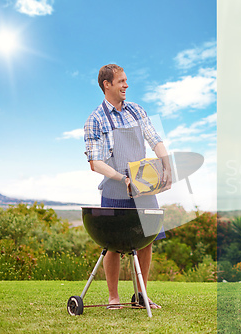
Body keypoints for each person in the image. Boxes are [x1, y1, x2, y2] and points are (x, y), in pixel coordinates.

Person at [84, 64, 172, 309]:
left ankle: (140, 295)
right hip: (115, 187)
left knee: (146, 240)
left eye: (126, 80)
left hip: (143, 186)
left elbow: (155, 139)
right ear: (107, 84)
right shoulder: (96, 119)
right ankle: (114, 297)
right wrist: (121, 179)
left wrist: (167, 165)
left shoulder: (137, 110)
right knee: (111, 243)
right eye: (121, 81)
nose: (126, 85)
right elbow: (95, 162)